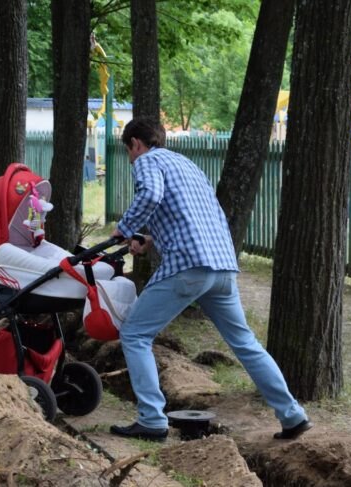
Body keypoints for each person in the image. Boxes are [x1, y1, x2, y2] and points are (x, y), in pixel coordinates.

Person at [109, 118, 312, 442]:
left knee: (134, 333)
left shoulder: (147, 161)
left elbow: (150, 194)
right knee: (246, 344)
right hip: (221, 266)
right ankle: (292, 415)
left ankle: (151, 419)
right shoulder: (186, 165)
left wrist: (125, 226)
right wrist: (149, 241)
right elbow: (193, 217)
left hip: (188, 267)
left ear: (135, 143)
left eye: (129, 151)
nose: (131, 158)